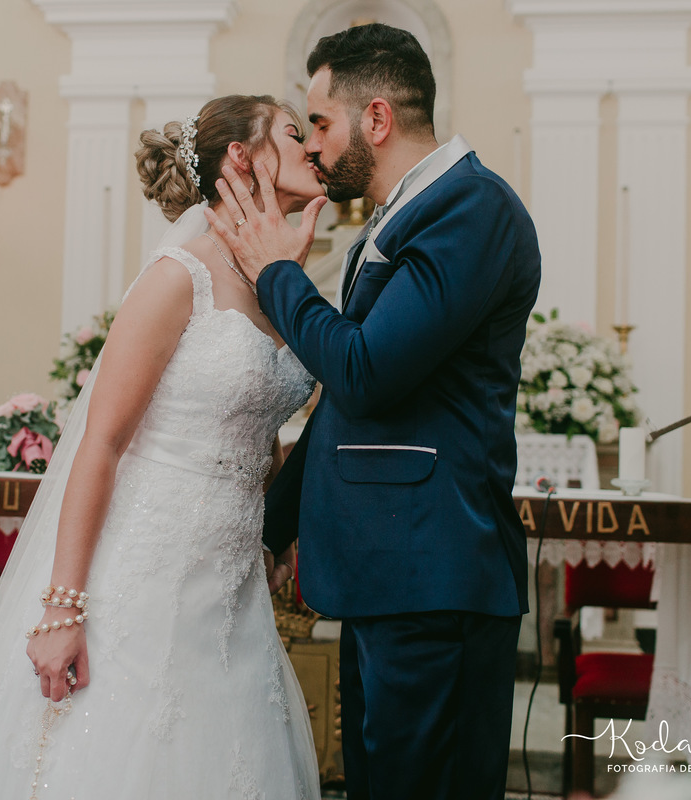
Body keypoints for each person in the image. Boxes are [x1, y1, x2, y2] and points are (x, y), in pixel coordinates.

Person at [0, 95, 328, 799]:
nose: (315, 147)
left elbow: (256, 435)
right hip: (140, 568)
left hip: (229, 588)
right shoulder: (180, 277)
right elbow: (101, 444)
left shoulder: (279, 281)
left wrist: (267, 539)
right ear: (242, 157)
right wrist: (62, 609)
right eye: (296, 133)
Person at [207, 24, 542, 800]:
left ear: (378, 119)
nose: (314, 145)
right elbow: (344, 413)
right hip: (392, 573)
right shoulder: (408, 215)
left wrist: (274, 274)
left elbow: (362, 373)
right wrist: (269, 528)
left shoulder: (471, 210)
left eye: (320, 122)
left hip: (435, 574)